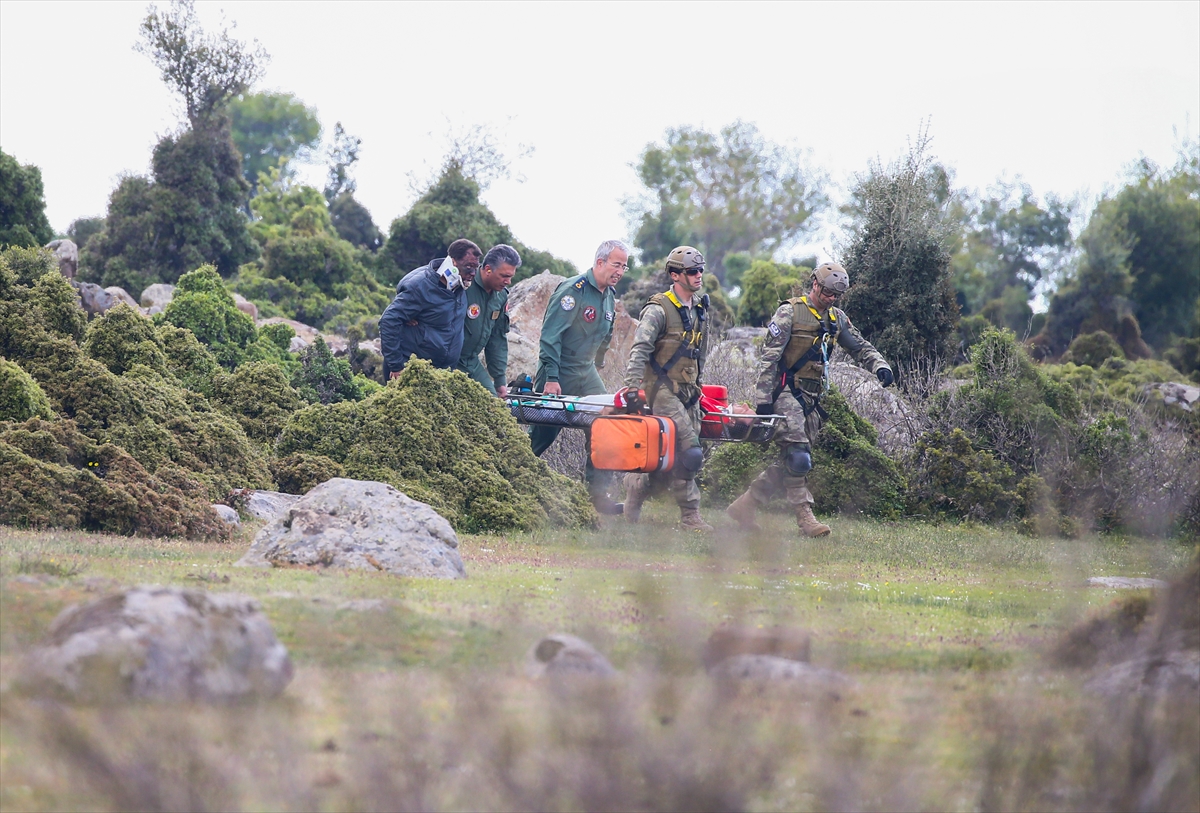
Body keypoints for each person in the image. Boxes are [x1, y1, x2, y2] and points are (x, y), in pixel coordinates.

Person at [725, 262, 893, 537]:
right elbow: (769, 358)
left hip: (812, 398)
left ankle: (746, 504)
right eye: (827, 292)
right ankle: (805, 519)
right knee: (799, 457)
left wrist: (880, 366)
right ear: (815, 284)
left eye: (836, 295)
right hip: (785, 393)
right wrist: (763, 399)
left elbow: (860, 347)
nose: (831, 298)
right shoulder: (789, 312)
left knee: (792, 461)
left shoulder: (836, 319)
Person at [529, 239, 628, 514]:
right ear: (600, 262)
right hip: (559, 371)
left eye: (624, 266)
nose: (620, 271)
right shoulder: (573, 291)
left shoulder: (609, 294)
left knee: (606, 426)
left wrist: (598, 363)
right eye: (616, 264)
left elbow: (606, 333)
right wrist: (551, 377)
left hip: (587, 372)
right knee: (542, 434)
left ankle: (596, 496)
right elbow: (550, 337)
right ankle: (511, 479)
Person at [618, 246, 713, 532]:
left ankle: (637, 486)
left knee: (674, 458)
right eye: (691, 271)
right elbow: (640, 350)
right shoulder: (658, 310)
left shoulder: (700, 309)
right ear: (675, 275)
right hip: (662, 391)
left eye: (700, 270)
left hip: (689, 392)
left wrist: (698, 388)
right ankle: (690, 516)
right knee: (691, 452)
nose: (698, 276)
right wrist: (632, 388)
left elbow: (701, 353)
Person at [379, 239, 481, 379]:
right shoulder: (421, 286)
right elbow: (388, 320)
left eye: (476, 267)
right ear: (453, 262)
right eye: (469, 266)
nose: (473, 273)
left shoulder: (460, 286)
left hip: (442, 373)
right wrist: (397, 366)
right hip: (411, 371)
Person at [457, 244, 519, 396]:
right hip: (449, 361)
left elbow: (497, 338)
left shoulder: (501, 296)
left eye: (511, 277)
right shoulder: (462, 286)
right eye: (504, 276)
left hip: (471, 362)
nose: (508, 281)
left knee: (493, 408)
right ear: (488, 269)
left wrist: (500, 381)